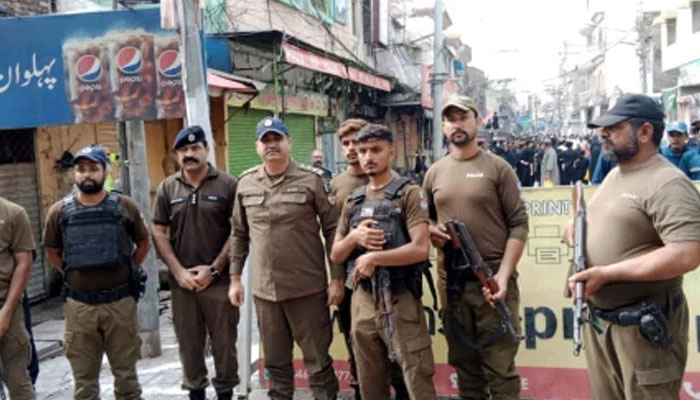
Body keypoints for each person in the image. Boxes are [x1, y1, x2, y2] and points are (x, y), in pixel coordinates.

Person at [568, 94, 700, 399]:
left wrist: (609, 273)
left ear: (644, 133)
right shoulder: (616, 174)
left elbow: (686, 252)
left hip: (643, 329)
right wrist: (575, 231)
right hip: (603, 324)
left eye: (614, 127)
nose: (604, 134)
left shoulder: (667, 183)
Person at [423, 95, 529, 400]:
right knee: (466, 369)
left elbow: (519, 225)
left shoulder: (498, 168)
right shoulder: (434, 173)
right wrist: (432, 230)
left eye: (463, 117)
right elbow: (422, 219)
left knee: (500, 369)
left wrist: (504, 277)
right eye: (451, 119)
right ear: (443, 126)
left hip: (492, 282)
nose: (457, 124)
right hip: (452, 287)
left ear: (477, 121)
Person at [227, 117, 340, 400]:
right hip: (266, 293)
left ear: (288, 142)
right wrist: (235, 279)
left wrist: (337, 278)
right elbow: (239, 234)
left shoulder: (312, 180)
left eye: (277, 139)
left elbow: (333, 230)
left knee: (318, 363)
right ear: (257, 147)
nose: (272, 145)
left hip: (308, 289)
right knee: (276, 366)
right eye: (266, 140)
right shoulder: (246, 183)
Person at [330, 124, 437, 400]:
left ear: (391, 152)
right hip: (363, 301)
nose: (367, 156)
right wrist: (355, 237)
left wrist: (376, 257)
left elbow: (420, 248)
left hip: (401, 298)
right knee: (370, 380)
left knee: (416, 377)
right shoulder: (354, 200)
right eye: (362, 150)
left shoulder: (410, 193)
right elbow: (336, 253)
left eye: (375, 150)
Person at [43, 145, 150, 400]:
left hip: (120, 304)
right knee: (84, 383)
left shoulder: (125, 206)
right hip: (80, 307)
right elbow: (52, 250)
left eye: (93, 168)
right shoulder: (58, 211)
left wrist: (129, 268)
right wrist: (71, 274)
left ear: (105, 171)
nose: (87, 174)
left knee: (127, 379)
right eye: (81, 169)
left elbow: (144, 243)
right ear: (74, 174)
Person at [152, 126, 239, 400]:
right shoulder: (168, 187)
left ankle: (226, 392)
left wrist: (215, 268)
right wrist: (176, 271)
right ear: (177, 154)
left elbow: (238, 231)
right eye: (183, 150)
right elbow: (158, 231)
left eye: (195, 148)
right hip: (183, 285)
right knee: (189, 347)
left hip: (219, 282)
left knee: (225, 346)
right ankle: (196, 394)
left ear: (206, 150)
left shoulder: (227, 184)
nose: (189, 154)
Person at [0, 197, 36, 400]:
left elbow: (24, 263)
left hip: (7, 308)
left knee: (18, 382)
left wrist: (6, 312)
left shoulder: (13, 213)